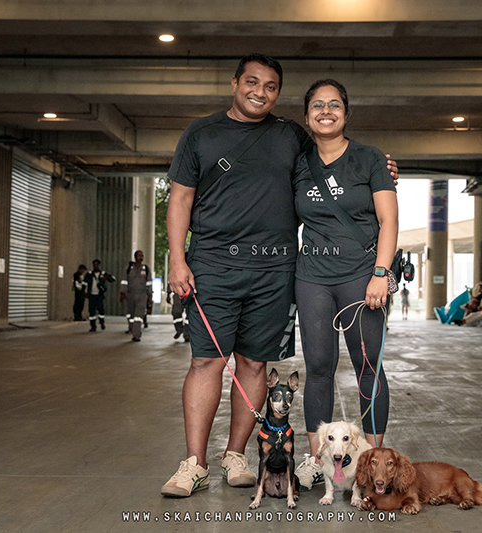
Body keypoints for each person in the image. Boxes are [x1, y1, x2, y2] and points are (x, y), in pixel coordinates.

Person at [162, 52, 400, 499]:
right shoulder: (203, 133)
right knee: (208, 361)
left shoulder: (292, 136)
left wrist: (383, 170)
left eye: (271, 87)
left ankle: (239, 455)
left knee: (256, 362)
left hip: (277, 268)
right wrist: (178, 259)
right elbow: (179, 199)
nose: (260, 92)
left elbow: (350, 170)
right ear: (235, 83)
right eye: (252, 82)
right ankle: (195, 463)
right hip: (221, 263)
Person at [291, 79, 398, 492]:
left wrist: (380, 273)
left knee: (368, 368)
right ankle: (318, 462)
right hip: (312, 277)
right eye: (317, 105)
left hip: (361, 275)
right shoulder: (298, 163)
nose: (326, 110)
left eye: (335, 104)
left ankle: (375, 464)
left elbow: (388, 219)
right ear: (307, 117)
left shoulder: (369, 159)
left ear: (346, 114)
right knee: (318, 369)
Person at [119, 250, 152, 342]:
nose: (141, 257)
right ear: (135, 257)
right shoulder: (129, 269)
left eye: (142, 255)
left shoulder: (146, 269)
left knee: (139, 315)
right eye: (139, 255)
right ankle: (131, 328)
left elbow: (149, 283)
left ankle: (136, 335)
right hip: (130, 295)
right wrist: (122, 293)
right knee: (131, 314)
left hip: (142, 295)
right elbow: (124, 281)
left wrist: (150, 296)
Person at [84, 259, 115, 332]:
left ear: (99, 265)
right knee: (92, 312)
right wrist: (85, 292)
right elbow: (84, 284)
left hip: (99, 295)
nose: (95, 266)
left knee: (101, 310)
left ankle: (102, 323)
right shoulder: (89, 274)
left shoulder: (103, 273)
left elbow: (113, 279)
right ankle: (93, 326)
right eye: (94, 264)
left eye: (97, 264)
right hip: (91, 295)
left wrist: (106, 278)